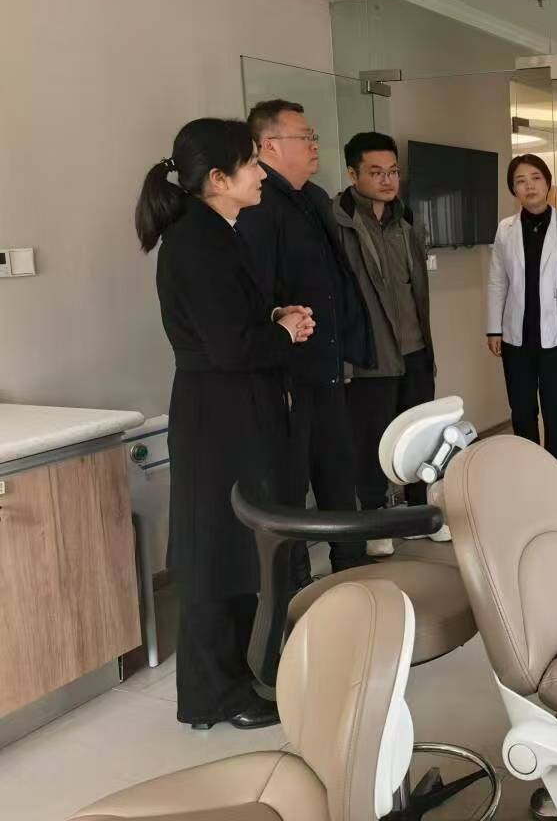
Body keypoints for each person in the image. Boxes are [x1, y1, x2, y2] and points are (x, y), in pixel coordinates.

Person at [135, 117, 315, 730]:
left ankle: (238, 677)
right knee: (215, 551)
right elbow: (230, 347)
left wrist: (275, 315)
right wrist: (282, 332)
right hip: (218, 417)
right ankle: (214, 694)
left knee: (237, 547)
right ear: (218, 178)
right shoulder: (196, 240)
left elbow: (230, 323)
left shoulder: (215, 232)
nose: (261, 173)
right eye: (251, 163)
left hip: (233, 409)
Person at [237, 100, 374, 587]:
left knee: (339, 474)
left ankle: (352, 577)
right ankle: (292, 595)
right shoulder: (258, 207)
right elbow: (257, 296)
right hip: (287, 376)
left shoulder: (313, 199)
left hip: (326, 367)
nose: (315, 145)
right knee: (290, 489)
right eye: (305, 136)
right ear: (269, 146)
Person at [333, 132, 436, 557]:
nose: (387, 180)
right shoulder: (339, 224)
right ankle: (376, 521)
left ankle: (419, 513)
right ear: (352, 174)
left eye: (393, 172)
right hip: (370, 355)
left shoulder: (405, 223)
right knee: (371, 439)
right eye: (376, 172)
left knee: (420, 436)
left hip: (414, 348)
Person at [486, 154, 557, 464]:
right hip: (516, 337)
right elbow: (497, 281)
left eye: (535, 178)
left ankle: (555, 473)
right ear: (513, 189)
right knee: (522, 411)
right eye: (520, 181)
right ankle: (529, 471)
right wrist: (494, 328)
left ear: (547, 184)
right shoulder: (505, 229)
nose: (529, 186)